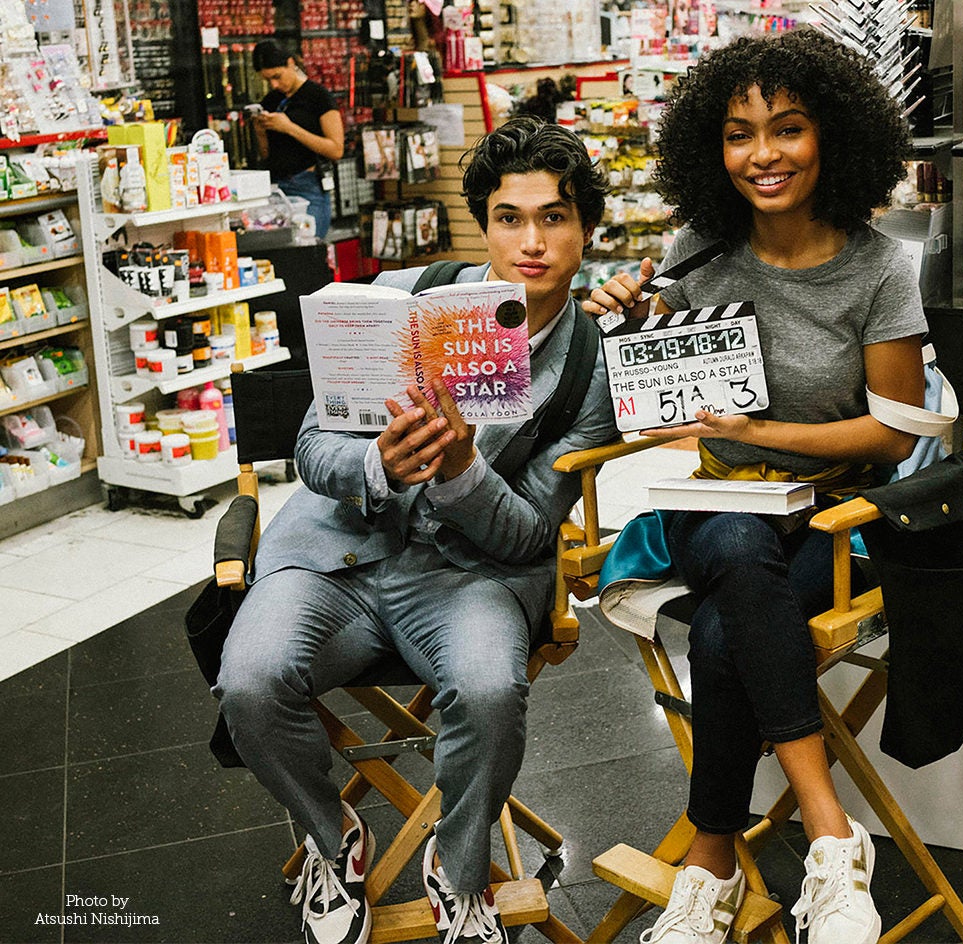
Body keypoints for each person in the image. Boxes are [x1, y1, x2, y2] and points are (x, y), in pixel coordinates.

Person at [216, 116, 620, 944]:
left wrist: (462, 472)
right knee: (249, 681)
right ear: (484, 222)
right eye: (510, 217)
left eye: (555, 217)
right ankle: (335, 841)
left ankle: (459, 870)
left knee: (489, 690)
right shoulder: (400, 296)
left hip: (468, 577)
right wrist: (380, 468)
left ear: (587, 230)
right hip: (334, 556)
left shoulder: (588, 369)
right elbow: (310, 446)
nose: (532, 241)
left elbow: (526, 535)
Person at [584, 29, 927, 944]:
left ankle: (709, 858)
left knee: (728, 627)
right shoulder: (699, 250)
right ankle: (829, 837)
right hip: (718, 506)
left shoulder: (881, 269)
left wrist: (759, 434)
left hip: (836, 519)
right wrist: (630, 320)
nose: (762, 155)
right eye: (738, 134)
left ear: (834, 138)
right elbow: (656, 383)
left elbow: (894, 435)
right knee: (734, 546)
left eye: (787, 129)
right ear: (712, 148)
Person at [251, 40, 345, 239]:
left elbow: (336, 149)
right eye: (268, 80)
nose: (275, 85)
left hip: (307, 185)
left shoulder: (318, 97)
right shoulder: (271, 100)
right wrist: (260, 131)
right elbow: (267, 153)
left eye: (277, 76)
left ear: (290, 63)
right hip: (276, 187)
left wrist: (290, 128)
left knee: (309, 250)